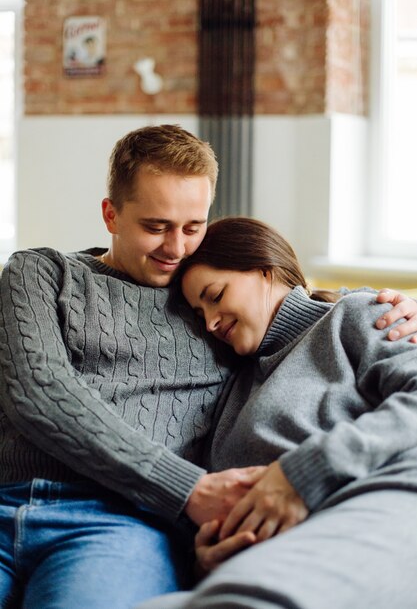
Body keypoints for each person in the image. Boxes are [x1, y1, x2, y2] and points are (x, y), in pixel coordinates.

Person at [0, 126, 268, 609]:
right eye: (156, 226)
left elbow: (303, 305)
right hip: (7, 499)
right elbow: (36, 392)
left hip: (121, 523)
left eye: (193, 227)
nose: (176, 248)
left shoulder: (214, 303)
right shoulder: (40, 272)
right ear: (111, 214)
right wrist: (187, 489)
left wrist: (388, 305)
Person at [137, 216, 417, 609]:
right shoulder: (231, 386)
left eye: (215, 295)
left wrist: (302, 475)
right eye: (200, 315)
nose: (212, 321)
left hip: (361, 512)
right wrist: (205, 556)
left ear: (264, 271)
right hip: (263, 558)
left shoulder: (357, 315)